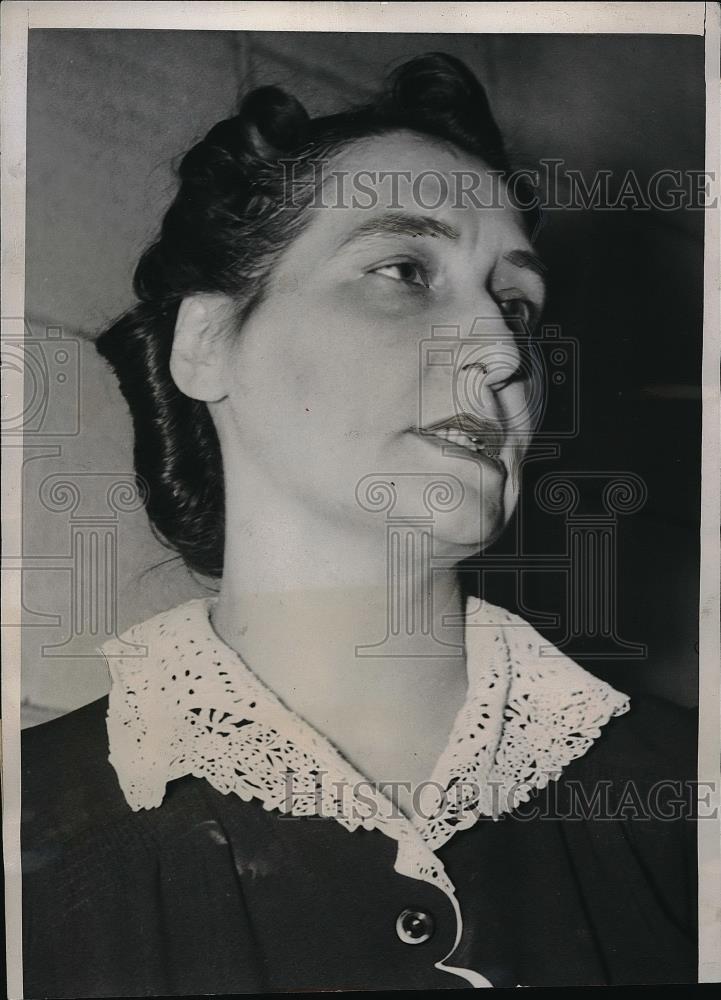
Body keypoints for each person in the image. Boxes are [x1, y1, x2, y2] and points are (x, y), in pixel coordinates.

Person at [22, 53, 697, 994]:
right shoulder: (26, 831)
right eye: (404, 270)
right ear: (208, 343)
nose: (501, 350)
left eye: (515, 304)